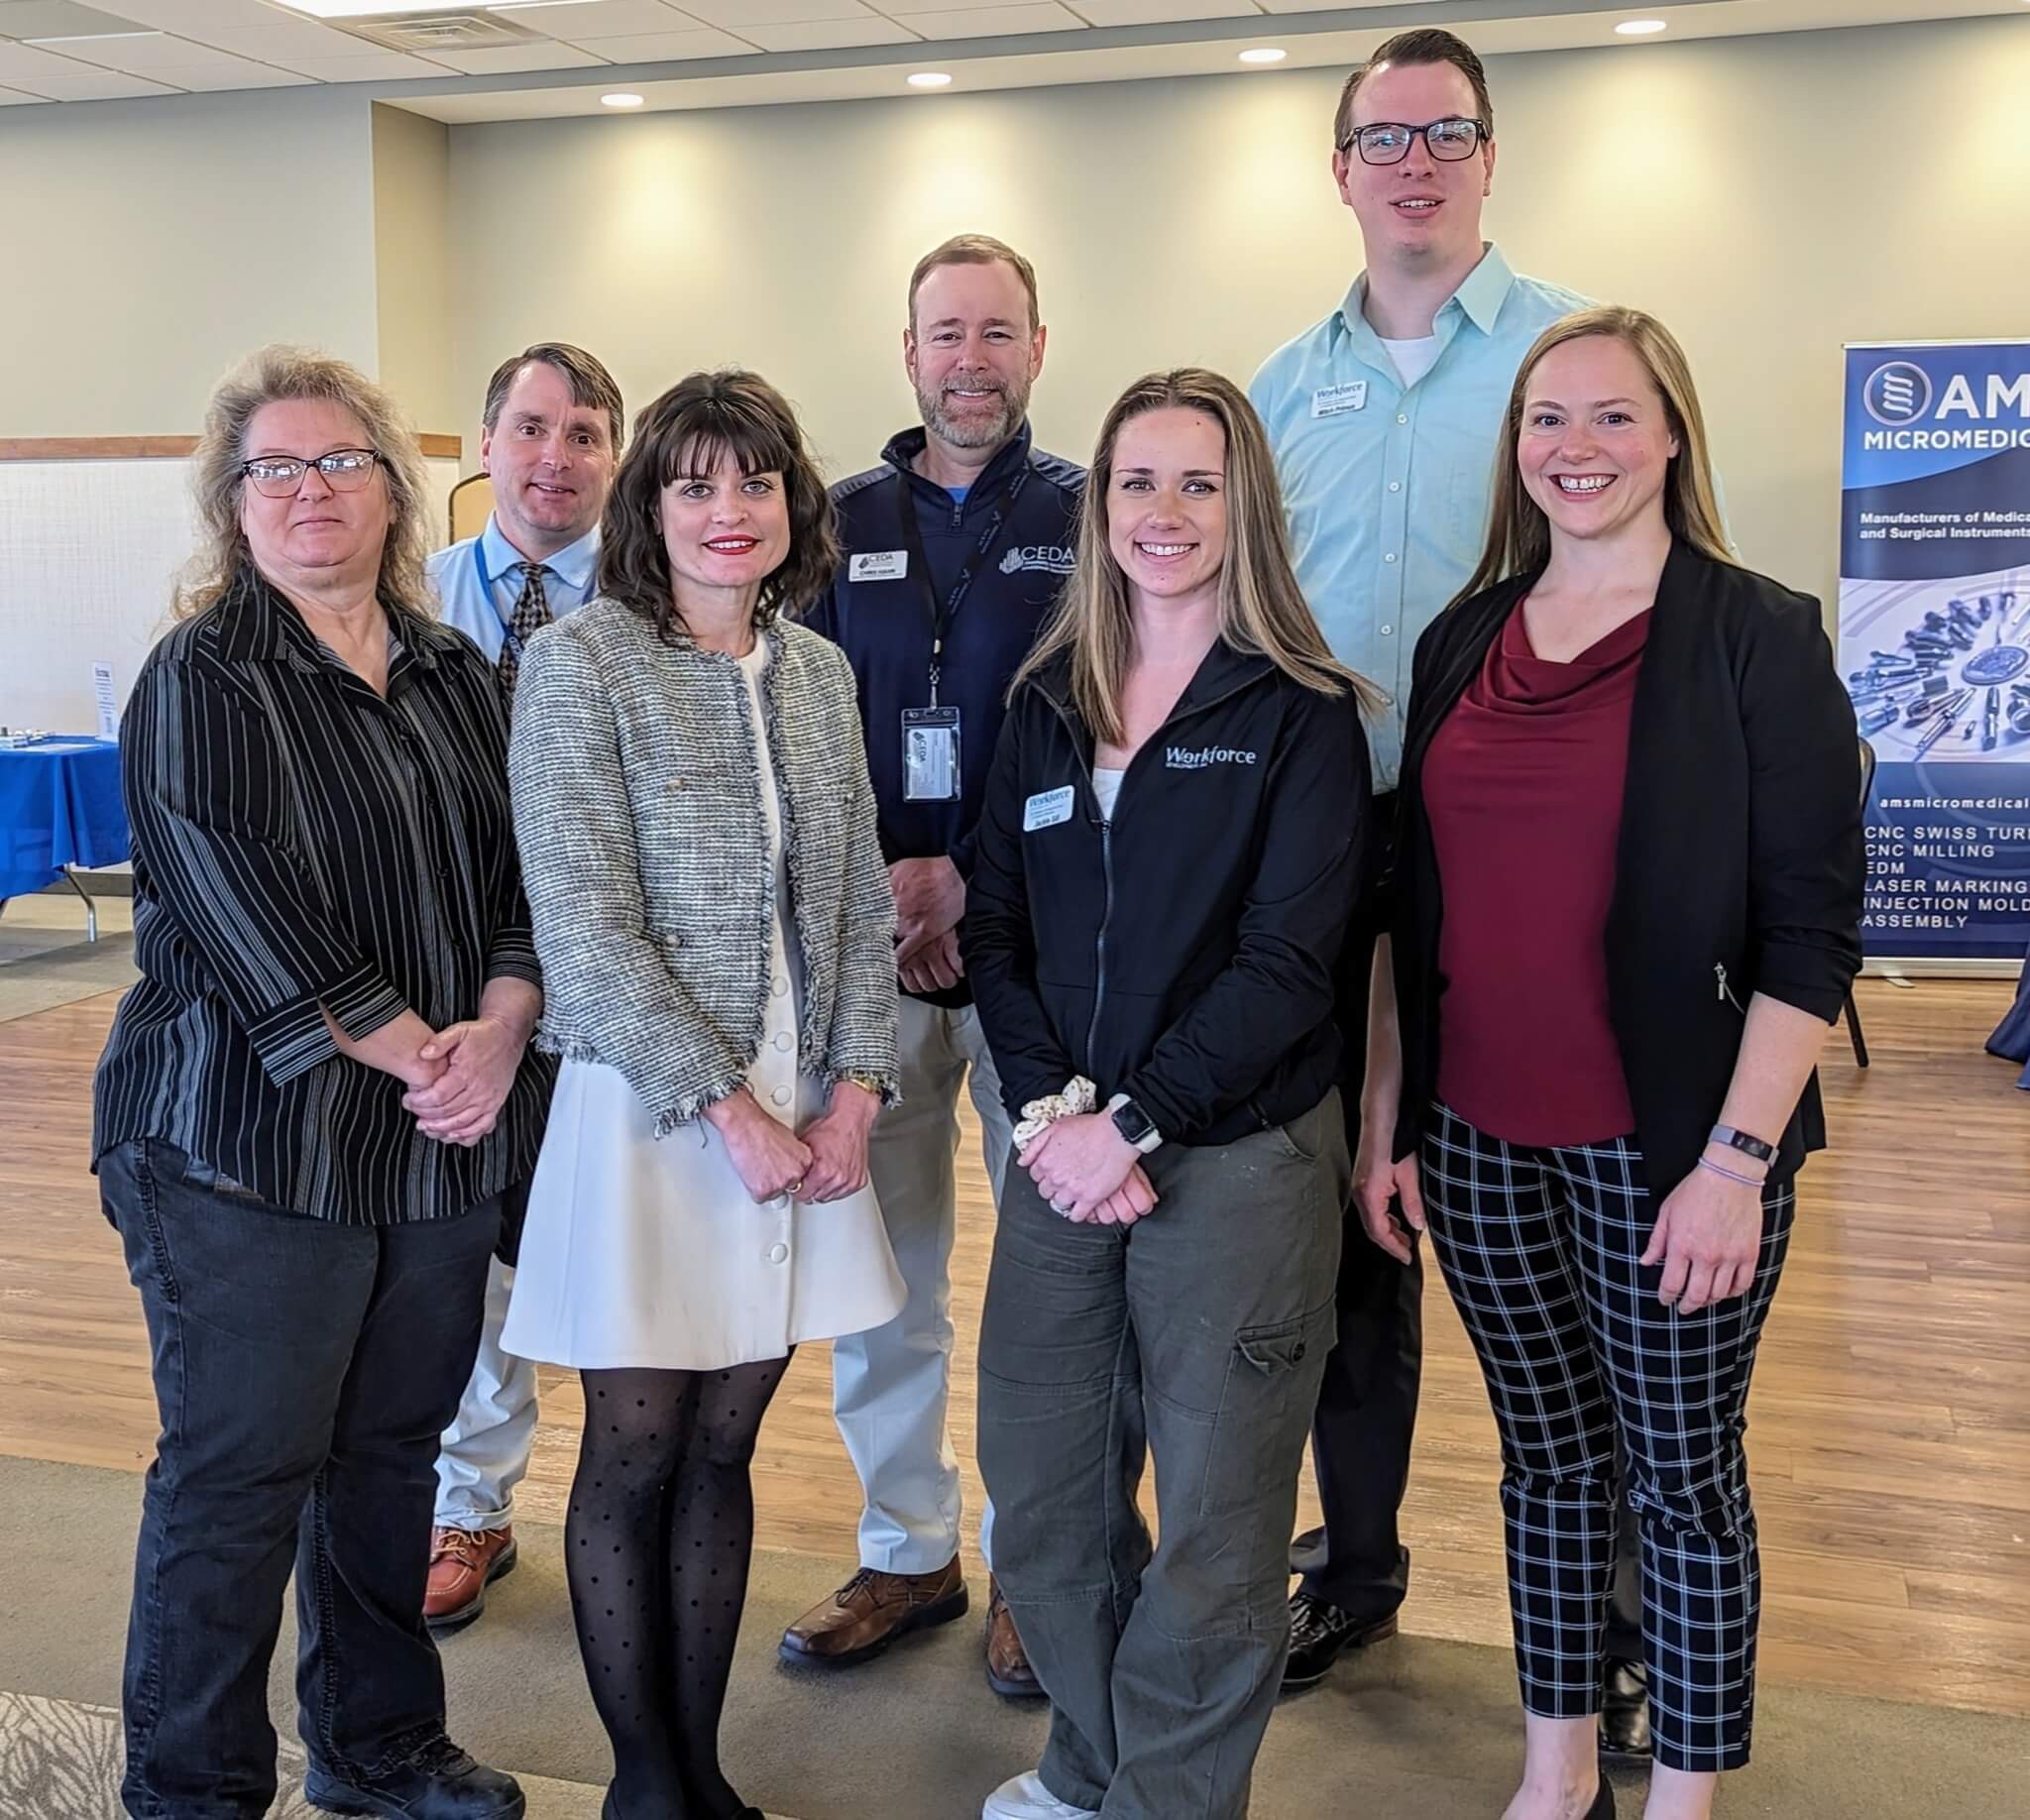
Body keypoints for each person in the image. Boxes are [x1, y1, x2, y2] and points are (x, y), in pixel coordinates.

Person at [1367, 307, 1861, 1820]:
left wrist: (1737, 1164)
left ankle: (1684, 1798)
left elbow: (1810, 930)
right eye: (1547, 422)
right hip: (1478, 1139)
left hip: (1675, 1154)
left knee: (1683, 1484)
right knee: (1549, 1471)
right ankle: (1556, 1769)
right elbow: (1408, 902)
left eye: (1611, 419)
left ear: (1672, 439)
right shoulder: (1466, 633)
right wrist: (1393, 1123)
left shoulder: (1756, 635)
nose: (1576, 451)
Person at [1249, 27, 1658, 1742]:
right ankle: (1355, 1567)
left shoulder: (1568, 358)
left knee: (1593, 1249)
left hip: (1536, 858)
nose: (1415, 161)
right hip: (1341, 854)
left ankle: (1634, 1618)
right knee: (1364, 1226)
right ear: (1337, 169)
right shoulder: (1281, 389)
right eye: (1382, 137)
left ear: (1491, 157)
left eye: (1448, 132)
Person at [91, 345, 547, 1820]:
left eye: (338, 462)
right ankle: (193, 1789)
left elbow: (512, 884)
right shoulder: (201, 677)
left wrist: (501, 1026)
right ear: (232, 503)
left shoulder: (453, 673)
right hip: (244, 1151)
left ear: (390, 491)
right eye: (272, 468)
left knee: (386, 1462)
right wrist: (430, 1052)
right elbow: (236, 904)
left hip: (427, 1154)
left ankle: (378, 1747)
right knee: (238, 1482)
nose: (307, 492)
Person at [965, 369, 1375, 1820]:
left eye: (1199, 483)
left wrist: (1127, 1124)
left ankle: (1166, 1805)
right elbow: (994, 934)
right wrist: (1048, 1119)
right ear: (1100, 507)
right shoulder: (1044, 702)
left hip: (1241, 1159)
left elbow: (1286, 967)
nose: (1165, 512)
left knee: (1217, 1520)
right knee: (1044, 1489)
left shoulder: (1303, 714)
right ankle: (1092, 1764)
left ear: (1245, 505)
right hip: (1060, 1149)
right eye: (1137, 482)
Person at [501, 368, 907, 1820]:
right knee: (639, 1448)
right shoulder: (584, 662)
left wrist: (858, 1087)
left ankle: (702, 1764)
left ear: (795, 502)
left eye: (756, 482)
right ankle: (643, 1781)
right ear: (648, 505)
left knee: (728, 1447)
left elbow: (859, 901)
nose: (728, 512)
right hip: (653, 1115)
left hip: (804, 1119)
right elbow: (583, 925)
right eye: (693, 483)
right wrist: (729, 1108)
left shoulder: (817, 670)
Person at [789, 233, 1082, 1696]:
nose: (970, 358)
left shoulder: (1095, 516)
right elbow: (786, 730)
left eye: (996, 332)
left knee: (1052, 1277)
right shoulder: (830, 525)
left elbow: (1107, 722)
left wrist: (973, 867)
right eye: (944, 333)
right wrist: (889, 882)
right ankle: (908, 1549)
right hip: (872, 955)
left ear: (1039, 348)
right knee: (883, 1273)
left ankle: (1039, 1562)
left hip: (1036, 949)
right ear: (908, 354)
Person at [421, 340, 624, 1635]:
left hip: (610, 986)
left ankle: (631, 1510)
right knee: (467, 1269)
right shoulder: (411, 598)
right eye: (533, 428)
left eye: (586, 432)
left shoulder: (658, 607)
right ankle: (466, 1511)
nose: (556, 457)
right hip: (454, 982)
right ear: (486, 442)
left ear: (617, 454)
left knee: (613, 1251)